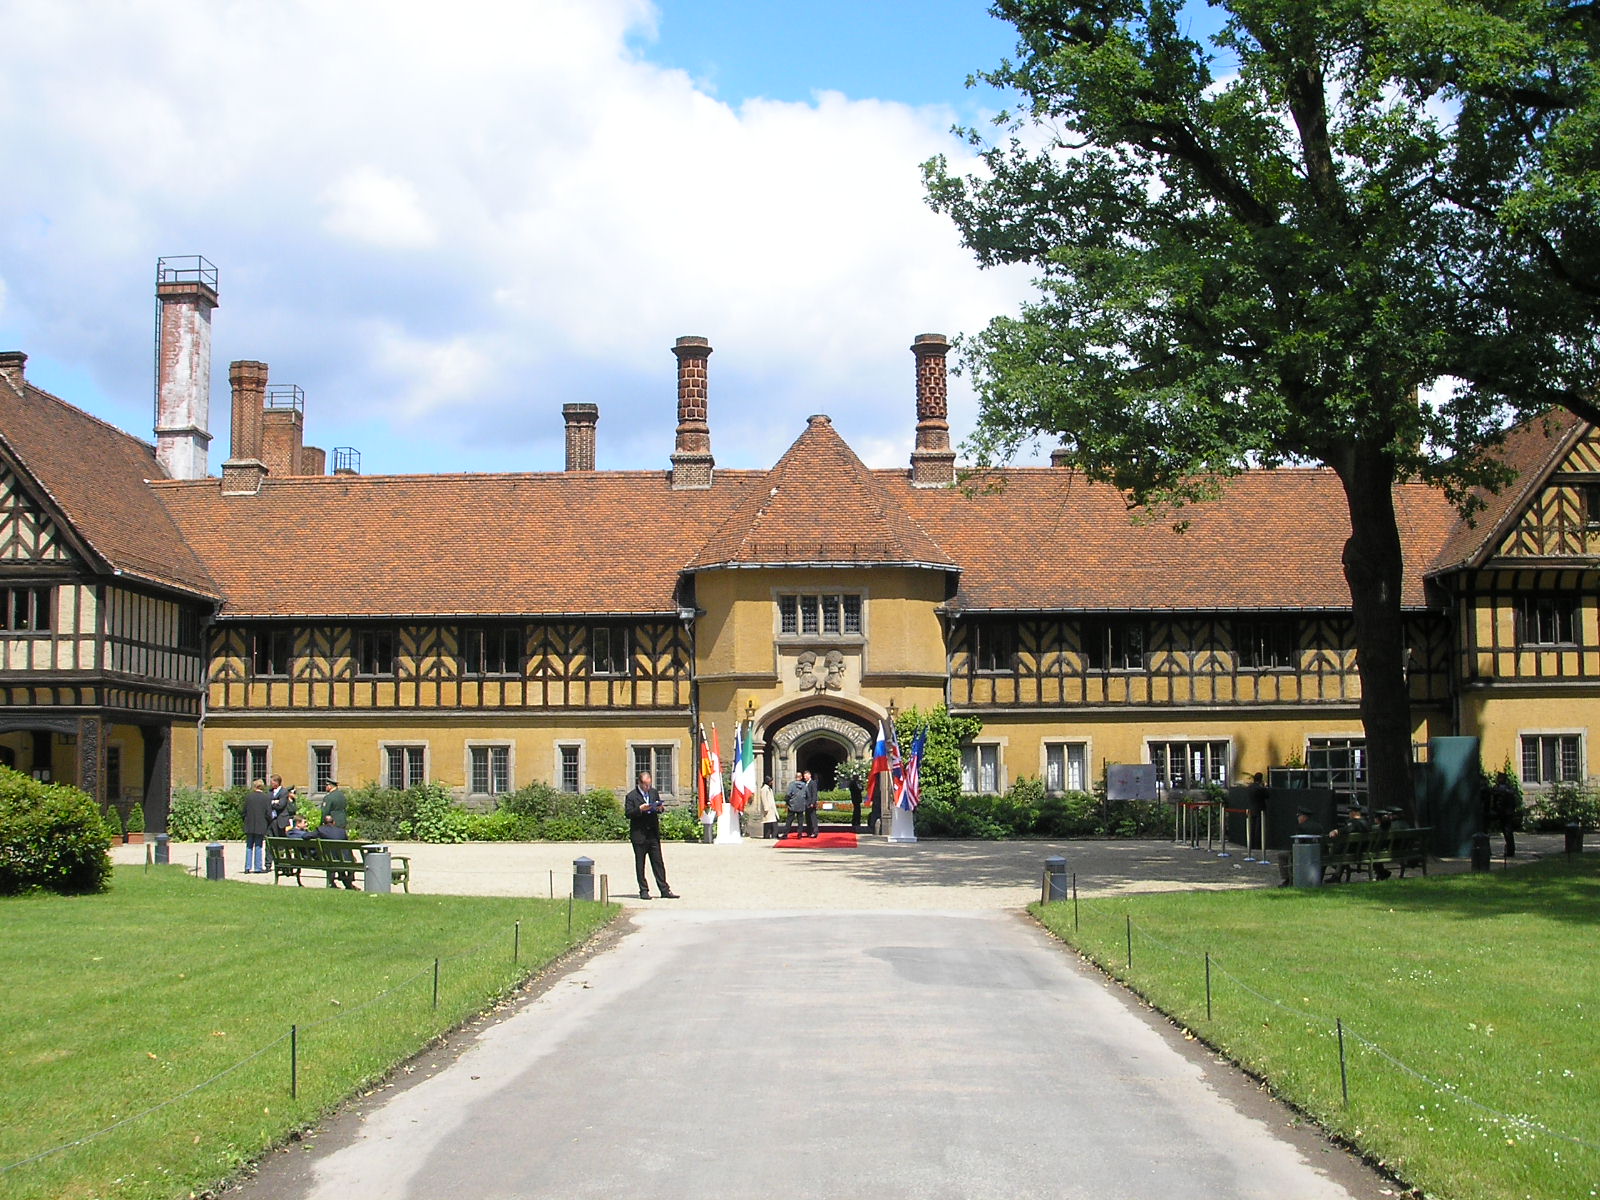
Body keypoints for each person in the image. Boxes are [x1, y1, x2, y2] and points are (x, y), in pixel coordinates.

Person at [625, 771, 678, 900]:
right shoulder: (631, 796)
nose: (648, 788)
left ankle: (664, 889)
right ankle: (643, 890)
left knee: (658, 862)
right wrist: (639, 809)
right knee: (640, 863)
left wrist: (660, 808)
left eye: (649, 785)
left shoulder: (653, 792)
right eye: (645, 785)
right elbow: (628, 813)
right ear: (640, 783)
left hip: (652, 834)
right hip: (639, 835)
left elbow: (658, 805)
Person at [1277, 805, 1326, 885]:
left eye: (1299, 816)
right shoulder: (1319, 826)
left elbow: (1299, 844)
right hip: (1321, 853)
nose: (1298, 818)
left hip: (1305, 855)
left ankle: (1288, 879)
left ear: (1304, 817)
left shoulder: (1301, 827)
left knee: (1282, 855)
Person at [315, 812, 358, 889]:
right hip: (343, 859)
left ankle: (335, 883)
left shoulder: (320, 830)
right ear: (334, 822)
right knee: (350, 860)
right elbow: (346, 845)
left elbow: (306, 836)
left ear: (324, 823)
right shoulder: (341, 831)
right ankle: (348, 883)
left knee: (335, 860)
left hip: (329, 859)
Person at [1483, 772, 1520, 857]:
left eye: (1500, 778)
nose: (1498, 779)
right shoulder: (1503, 789)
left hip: (1504, 813)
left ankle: (1510, 851)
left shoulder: (1504, 789)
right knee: (1507, 832)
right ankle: (1509, 850)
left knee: (1507, 832)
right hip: (1502, 812)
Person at [242, 778, 273, 874]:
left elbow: (243, 812)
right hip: (261, 824)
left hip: (249, 824)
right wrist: (269, 821)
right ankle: (257, 867)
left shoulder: (248, 797)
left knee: (249, 846)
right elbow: (268, 813)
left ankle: (247, 867)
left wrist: (246, 820)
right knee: (258, 845)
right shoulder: (266, 797)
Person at [805, 770, 821, 838]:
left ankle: (815, 832)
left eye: (806, 776)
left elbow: (814, 794)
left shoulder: (813, 783)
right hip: (806, 804)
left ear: (809, 775)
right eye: (804, 776)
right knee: (808, 818)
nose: (805, 777)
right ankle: (809, 831)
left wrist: (812, 803)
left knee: (813, 818)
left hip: (811, 803)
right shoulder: (806, 783)